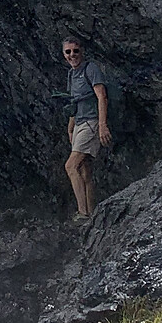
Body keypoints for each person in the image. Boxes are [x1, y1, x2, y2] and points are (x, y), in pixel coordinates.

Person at [63, 34, 111, 218]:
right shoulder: (72, 74)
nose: (72, 55)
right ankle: (91, 213)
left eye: (75, 51)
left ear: (82, 51)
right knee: (85, 169)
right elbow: (74, 103)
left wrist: (102, 125)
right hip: (79, 123)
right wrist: (70, 127)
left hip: (91, 122)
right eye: (68, 52)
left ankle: (82, 213)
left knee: (70, 166)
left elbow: (102, 96)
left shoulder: (90, 69)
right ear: (63, 54)